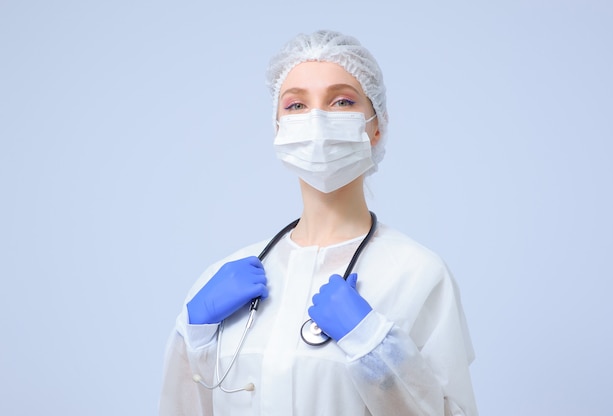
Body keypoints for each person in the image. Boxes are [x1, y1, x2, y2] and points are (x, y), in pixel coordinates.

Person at [159, 30, 478, 415]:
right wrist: (192, 335)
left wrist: (374, 345)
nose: (317, 120)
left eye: (342, 101)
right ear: (278, 129)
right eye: (296, 106)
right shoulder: (225, 279)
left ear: (376, 125)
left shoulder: (416, 275)